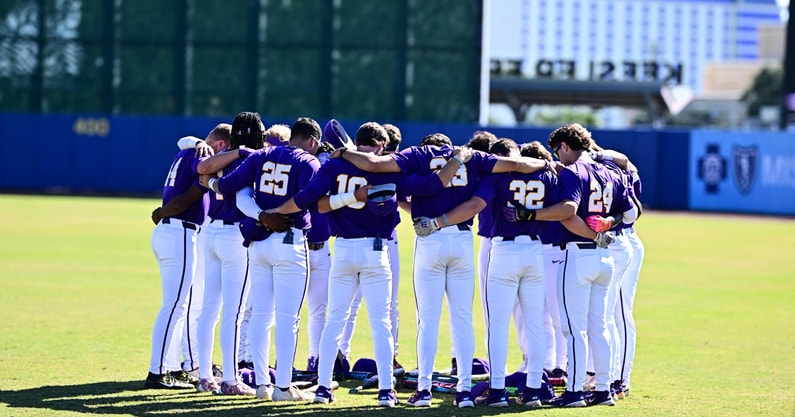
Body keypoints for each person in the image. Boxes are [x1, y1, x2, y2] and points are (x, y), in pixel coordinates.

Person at [331, 133, 550, 408]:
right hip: (460, 240)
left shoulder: (418, 155)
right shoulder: (472, 156)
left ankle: (423, 390)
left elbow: (374, 165)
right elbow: (517, 166)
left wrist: (344, 153)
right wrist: (543, 164)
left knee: (428, 320)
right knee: (462, 319)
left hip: (429, 239)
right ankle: (464, 392)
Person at [268, 122, 468, 407]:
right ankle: (386, 390)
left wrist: (273, 211)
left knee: (334, 320)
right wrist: (458, 160)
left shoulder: (335, 165)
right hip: (376, 250)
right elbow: (431, 185)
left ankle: (324, 387)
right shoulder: (390, 168)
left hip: (344, 249)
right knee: (381, 323)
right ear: (379, 146)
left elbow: (313, 203)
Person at [414, 138, 565, 408]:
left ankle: (497, 390)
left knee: (497, 325)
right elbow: (562, 209)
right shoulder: (546, 173)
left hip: (503, 250)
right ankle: (532, 390)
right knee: (535, 324)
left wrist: (440, 220)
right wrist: (533, 214)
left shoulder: (496, 175)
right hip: (535, 250)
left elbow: (477, 204)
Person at [201, 116, 322, 402]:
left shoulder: (263, 154)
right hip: (288, 240)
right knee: (287, 319)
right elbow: (309, 199)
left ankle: (262, 386)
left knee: (260, 317)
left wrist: (213, 185)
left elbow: (227, 185)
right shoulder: (309, 162)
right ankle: (282, 387)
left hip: (258, 242)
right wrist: (277, 213)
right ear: (313, 142)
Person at [542, 123, 638, 407]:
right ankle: (604, 390)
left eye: (558, 151)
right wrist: (610, 223)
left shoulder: (573, 171)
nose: (558, 157)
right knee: (601, 327)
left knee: (574, 328)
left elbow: (568, 212)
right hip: (606, 256)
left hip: (578, 253)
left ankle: (573, 392)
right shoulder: (611, 172)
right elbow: (632, 212)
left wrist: (532, 214)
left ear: (565, 146)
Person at [191, 113, 267, 395]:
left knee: (209, 309)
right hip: (235, 235)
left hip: (211, 231)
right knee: (233, 313)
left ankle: (204, 375)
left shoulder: (224, 155)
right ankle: (230, 380)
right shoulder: (253, 158)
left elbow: (203, 168)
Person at [145, 127, 225, 389]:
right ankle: (156, 373)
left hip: (173, 231)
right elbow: (193, 189)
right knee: (175, 305)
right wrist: (164, 211)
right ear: (221, 144)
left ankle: (172, 367)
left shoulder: (189, 150)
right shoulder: (201, 155)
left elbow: (184, 141)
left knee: (179, 305)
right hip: (179, 231)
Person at [338, 122, 406, 370]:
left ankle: (340, 354)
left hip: (357, 239)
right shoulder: (384, 166)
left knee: (351, 305)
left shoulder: (352, 161)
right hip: (380, 240)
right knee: (383, 306)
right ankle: (343, 354)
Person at [521, 142, 568, 382]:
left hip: (553, 250)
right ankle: (548, 362)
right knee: (541, 313)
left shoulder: (552, 179)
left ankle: (561, 363)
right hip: (541, 249)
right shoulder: (554, 177)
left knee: (554, 313)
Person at [305, 140, 334, 373]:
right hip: (298, 248)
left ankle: (314, 358)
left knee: (318, 309)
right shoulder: (303, 171)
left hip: (322, 249)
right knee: (286, 310)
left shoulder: (335, 175)